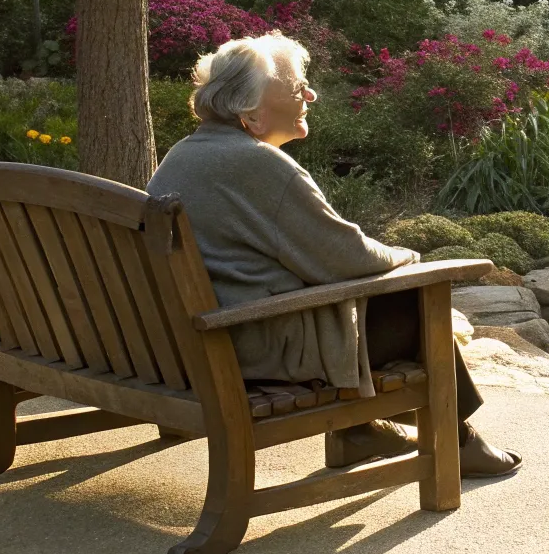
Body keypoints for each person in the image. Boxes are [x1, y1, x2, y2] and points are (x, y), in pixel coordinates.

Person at [147, 32, 521, 476]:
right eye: (295, 87)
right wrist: (408, 257)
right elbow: (348, 257)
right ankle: (456, 440)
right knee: (413, 299)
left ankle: (361, 432)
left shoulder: (182, 156)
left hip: (193, 340)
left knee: (369, 298)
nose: (310, 94)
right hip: (249, 347)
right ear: (252, 114)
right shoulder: (259, 165)